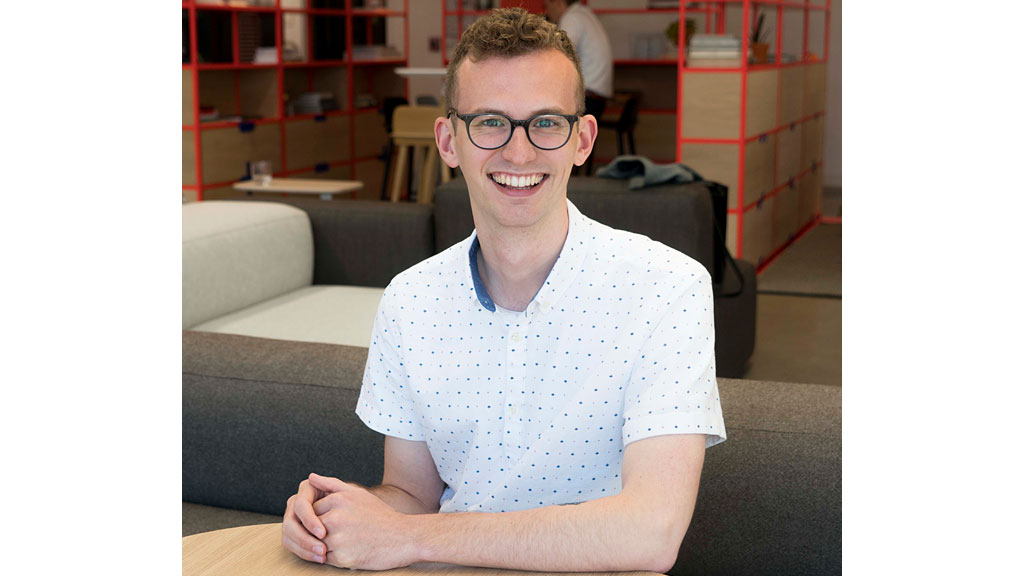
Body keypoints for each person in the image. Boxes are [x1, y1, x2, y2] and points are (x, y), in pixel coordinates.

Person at [281, 8, 725, 573]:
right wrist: (338, 517)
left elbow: (650, 534)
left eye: (546, 122)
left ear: (582, 140)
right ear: (449, 140)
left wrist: (415, 539)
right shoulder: (409, 300)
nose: (519, 152)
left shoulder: (668, 288)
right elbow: (411, 497)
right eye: (491, 122)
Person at [543, 0, 613, 123]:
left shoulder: (571, 17)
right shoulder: (585, 14)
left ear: (559, 3)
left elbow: (559, 55)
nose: (546, 12)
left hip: (587, 98)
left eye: (547, 6)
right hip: (597, 97)